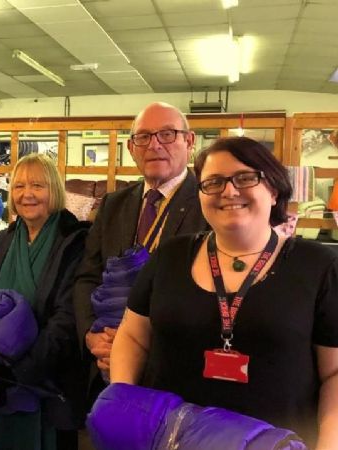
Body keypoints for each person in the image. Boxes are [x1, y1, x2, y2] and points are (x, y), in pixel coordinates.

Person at [110, 136, 338, 448]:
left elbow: (335, 373)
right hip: (168, 439)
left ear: (273, 189)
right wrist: (122, 403)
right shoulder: (170, 255)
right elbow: (133, 336)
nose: (229, 191)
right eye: (213, 182)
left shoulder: (319, 265)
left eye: (245, 178)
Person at [72, 102, 208, 398]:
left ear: (190, 141)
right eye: (143, 137)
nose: (154, 145)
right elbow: (87, 277)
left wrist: (136, 344)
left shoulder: (210, 203)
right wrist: (91, 335)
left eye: (167, 134)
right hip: (107, 362)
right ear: (132, 148)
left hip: (175, 371)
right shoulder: (113, 204)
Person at [0, 153, 90, 450]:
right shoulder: (4, 241)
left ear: (54, 191)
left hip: (50, 384)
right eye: (19, 186)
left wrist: (16, 375)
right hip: (3, 383)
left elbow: (67, 319)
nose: (27, 194)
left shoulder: (76, 240)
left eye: (37, 185)